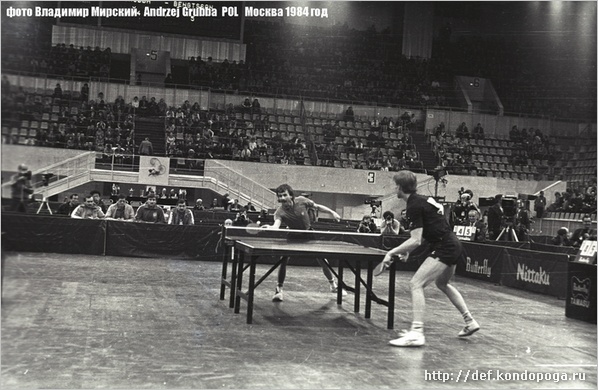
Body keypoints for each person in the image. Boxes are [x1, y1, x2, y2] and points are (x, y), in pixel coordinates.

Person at [379, 170, 479, 347]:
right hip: (454, 244)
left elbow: (416, 240)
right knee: (443, 284)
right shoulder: (423, 200)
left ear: (401, 187)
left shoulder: (413, 205)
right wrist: (407, 250)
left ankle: (417, 333)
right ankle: (470, 321)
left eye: (396, 185)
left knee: (415, 284)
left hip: (445, 247)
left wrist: (391, 252)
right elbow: (426, 232)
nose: (394, 188)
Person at [266, 184, 344, 301]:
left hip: (308, 234)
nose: (282, 198)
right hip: (293, 235)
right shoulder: (279, 212)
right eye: (280, 196)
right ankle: (279, 290)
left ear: (291, 195)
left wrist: (332, 212)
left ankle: (333, 285)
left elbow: (317, 207)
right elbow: (276, 225)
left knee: (322, 259)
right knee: (283, 261)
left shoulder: (302, 201)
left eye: (284, 195)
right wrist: (271, 228)